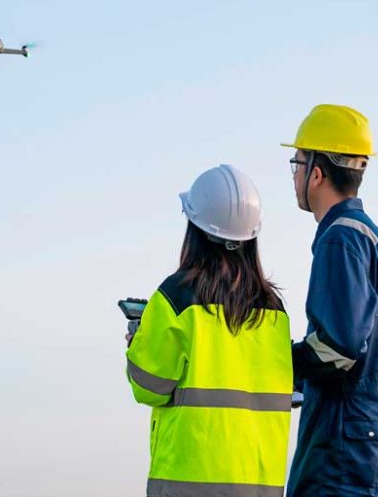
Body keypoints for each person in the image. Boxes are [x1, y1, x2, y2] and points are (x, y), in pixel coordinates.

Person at [126, 165, 293, 497]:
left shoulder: (176, 298)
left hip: (187, 486)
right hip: (259, 488)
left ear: (195, 230)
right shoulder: (274, 310)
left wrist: (138, 340)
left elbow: (149, 387)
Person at [282, 104, 378, 496]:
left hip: (347, 443)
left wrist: (277, 363)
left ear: (317, 173)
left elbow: (338, 348)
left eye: (297, 162)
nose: (294, 174)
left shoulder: (340, 238)